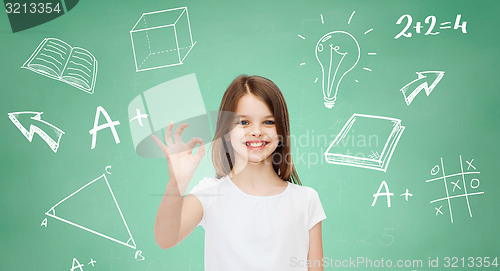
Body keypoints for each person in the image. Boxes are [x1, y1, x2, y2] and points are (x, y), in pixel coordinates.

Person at [152, 75, 326, 271]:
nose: (257, 131)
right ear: (226, 131)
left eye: (268, 122)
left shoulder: (306, 199)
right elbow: (166, 239)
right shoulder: (210, 194)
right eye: (244, 123)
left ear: (281, 130)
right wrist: (176, 182)